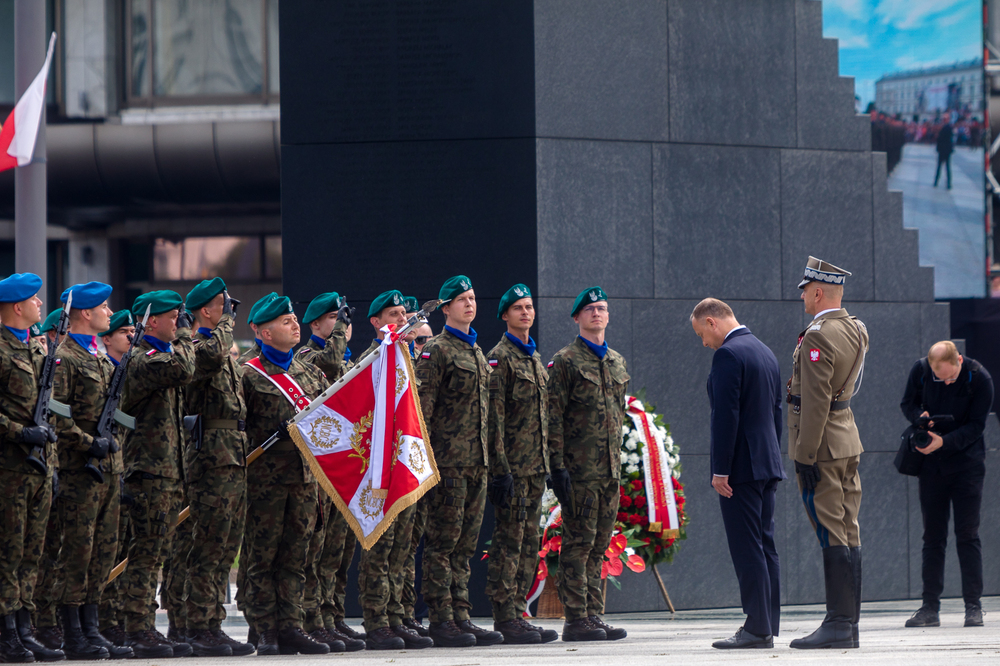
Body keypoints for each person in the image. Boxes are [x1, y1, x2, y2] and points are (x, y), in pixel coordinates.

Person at [240, 296, 332, 656]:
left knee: (297, 556)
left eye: (295, 319)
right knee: (262, 557)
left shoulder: (309, 372)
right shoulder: (247, 374)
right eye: (285, 321)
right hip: (265, 482)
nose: (295, 325)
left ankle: (292, 625)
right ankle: (264, 629)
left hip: (305, 480)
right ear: (264, 332)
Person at [691, 298, 784, 650]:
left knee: (747, 548)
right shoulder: (764, 350)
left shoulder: (728, 354)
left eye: (702, 333)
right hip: (766, 462)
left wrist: (721, 469)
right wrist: (771, 456)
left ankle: (757, 628)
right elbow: (775, 412)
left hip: (741, 468)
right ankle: (766, 623)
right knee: (765, 545)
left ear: (712, 322)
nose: (704, 342)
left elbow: (725, 416)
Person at [786, 257, 869, 650]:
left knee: (831, 530)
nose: (802, 295)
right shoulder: (855, 328)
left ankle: (838, 623)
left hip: (822, 445)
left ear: (818, 291)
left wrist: (804, 455)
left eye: (805, 289)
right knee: (849, 530)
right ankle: (848, 624)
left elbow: (815, 401)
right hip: (847, 437)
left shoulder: (818, 335)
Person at [416, 276, 501, 648]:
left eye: (471, 297)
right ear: (445, 308)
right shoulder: (437, 350)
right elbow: (424, 411)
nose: (469, 303)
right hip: (448, 465)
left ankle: (461, 614)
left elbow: (486, 415)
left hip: (476, 464)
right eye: (460, 299)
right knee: (442, 545)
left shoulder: (477, 352)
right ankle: (441, 618)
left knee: (465, 546)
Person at [51, 282, 133, 660]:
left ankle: (92, 627)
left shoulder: (100, 357)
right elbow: (54, 414)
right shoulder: (65, 358)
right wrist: (88, 442)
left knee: (104, 551)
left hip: (109, 467)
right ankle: (73, 633)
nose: (109, 312)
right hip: (79, 470)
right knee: (78, 552)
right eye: (103, 306)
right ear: (85, 313)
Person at [547, 286, 629, 642]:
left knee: (600, 544)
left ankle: (594, 614)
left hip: (609, 470)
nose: (597, 314)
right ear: (577, 318)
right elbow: (553, 417)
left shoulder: (617, 362)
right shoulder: (565, 361)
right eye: (590, 309)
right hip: (578, 470)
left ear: (608, 316)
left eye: (602, 309)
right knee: (578, 543)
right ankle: (576, 618)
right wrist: (557, 467)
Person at [119, 291, 197, 659]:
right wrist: (185, 335)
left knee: (156, 552)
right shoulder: (142, 360)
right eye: (172, 317)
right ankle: (137, 627)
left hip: (166, 471)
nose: (179, 322)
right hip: (149, 472)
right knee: (146, 553)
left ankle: (145, 627)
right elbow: (184, 369)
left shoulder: (160, 356)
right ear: (151, 322)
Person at [354, 290, 433, 650]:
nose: (402, 320)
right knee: (381, 547)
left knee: (403, 546)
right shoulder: (375, 358)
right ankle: (377, 620)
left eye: (404, 314)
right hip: (379, 470)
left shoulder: (405, 356)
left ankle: (400, 615)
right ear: (375, 322)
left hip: (404, 464)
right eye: (393, 314)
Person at [180, 278, 255, 656]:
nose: (229, 310)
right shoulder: (197, 347)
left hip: (233, 456)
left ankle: (214, 624)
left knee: (226, 546)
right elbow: (209, 356)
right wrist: (227, 322)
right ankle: (199, 625)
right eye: (223, 304)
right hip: (211, 457)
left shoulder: (225, 352)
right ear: (206, 311)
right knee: (209, 546)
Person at [900, 341, 993, 629]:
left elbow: (978, 426)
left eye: (951, 377)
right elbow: (907, 403)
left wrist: (945, 442)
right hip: (932, 466)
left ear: (960, 361)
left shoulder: (980, 379)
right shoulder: (921, 371)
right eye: (942, 379)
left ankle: (973, 607)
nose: (947, 382)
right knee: (933, 536)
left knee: (968, 535)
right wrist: (919, 418)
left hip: (967, 465)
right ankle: (930, 607)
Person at [485, 284, 558, 644]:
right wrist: (500, 469)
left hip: (535, 469)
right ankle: (505, 615)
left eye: (529, 307)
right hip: (513, 468)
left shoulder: (533, 358)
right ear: (505, 315)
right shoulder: (500, 358)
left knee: (529, 542)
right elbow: (494, 420)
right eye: (518, 308)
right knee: (509, 542)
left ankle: (519, 611)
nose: (526, 313)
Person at [295, 292, 364, 652]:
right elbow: (330, 362)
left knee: (340, 550)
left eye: (346, 321)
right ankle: (314, 618)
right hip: (323, 468)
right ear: (317, 324)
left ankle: (333, 615)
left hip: (348, 464)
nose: (343, 327)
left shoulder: (350, 359)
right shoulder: (308, 357)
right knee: (319, 552)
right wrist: (339, 334)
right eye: (336, 320)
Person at [0, 273, 59, 663]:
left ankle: (24, 629)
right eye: (34, 300)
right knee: (8, 553)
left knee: (30, 554)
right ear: (17, 307)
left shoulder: (35, 350)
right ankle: (6, 633)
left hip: (39, 468)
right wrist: (22, 433)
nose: (40, 304)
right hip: (10, 468)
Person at [96, 311, 136, 648]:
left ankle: (115, 619)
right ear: (106, 338)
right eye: (124, 332)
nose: (131, 337)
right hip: (97, 466)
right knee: (102, 550)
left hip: (124, 465)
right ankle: (105, 621)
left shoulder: (125, 370)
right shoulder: (102, 369)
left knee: (120, 546)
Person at [934, 120, 953, 189]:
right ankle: (948, 184)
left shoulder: (943, 129)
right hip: (947, 150)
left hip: (942, 150)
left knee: (939, 167)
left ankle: (936, 182)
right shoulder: (949, 128)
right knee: (947, 167)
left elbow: (939, 139)